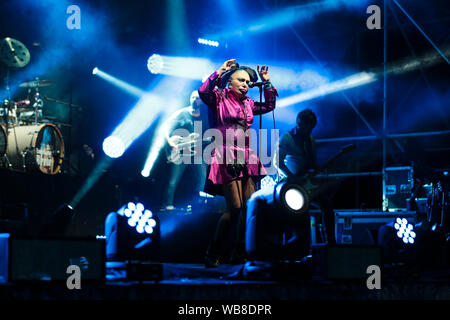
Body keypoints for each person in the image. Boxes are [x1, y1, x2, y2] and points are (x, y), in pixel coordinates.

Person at [198, 58, 278, 267]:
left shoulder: (249, 103)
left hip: (246, 154)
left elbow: (270, 104)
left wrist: (266, 82)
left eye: (248, 82)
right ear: (229, 82)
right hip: (225, 153)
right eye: (241, 80)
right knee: (235, 207)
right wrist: (220, 71)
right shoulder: (219, 97)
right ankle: (212, 252)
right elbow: (203, 91)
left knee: (250, 206)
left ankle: (241, 252)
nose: (245, 84)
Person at [278, 109, 336, 244]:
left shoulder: (310, 139)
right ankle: (296, 243)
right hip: (290, 184)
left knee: (327, 204)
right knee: (299, 211)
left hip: (305, 182)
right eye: (308, 127)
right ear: (300, 124)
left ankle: (331, 242)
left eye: (312, 128)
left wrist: (318, 168)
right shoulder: (287, 137)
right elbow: (278, 163)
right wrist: (292, 177)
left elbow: (312, 162)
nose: (310, 131)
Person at [160, 90, 209, 210]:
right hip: (181, 153)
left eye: (197, 98)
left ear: (201, 101)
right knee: (173, 181)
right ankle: (167, 204)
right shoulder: (182, 113)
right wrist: (170, 142)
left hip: (196, 152)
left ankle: (197, 204)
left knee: (202, 178)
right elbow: (165, 126)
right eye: (192, 97)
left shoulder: (204, 115)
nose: (194, 100)